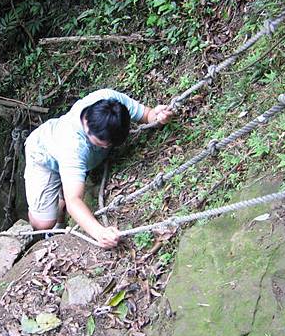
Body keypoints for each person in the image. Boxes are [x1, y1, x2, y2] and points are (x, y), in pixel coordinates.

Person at [24, 89, 173, 249]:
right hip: (44, 156)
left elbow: (146, 114)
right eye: (95, 141)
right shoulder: (73, 147)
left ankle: (61, 203)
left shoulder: (112, 103)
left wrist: (158, 116)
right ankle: (51, 217)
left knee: (67, 193)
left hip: (74, 161)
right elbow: (74, 200)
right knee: (43, 223)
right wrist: (99, 232)